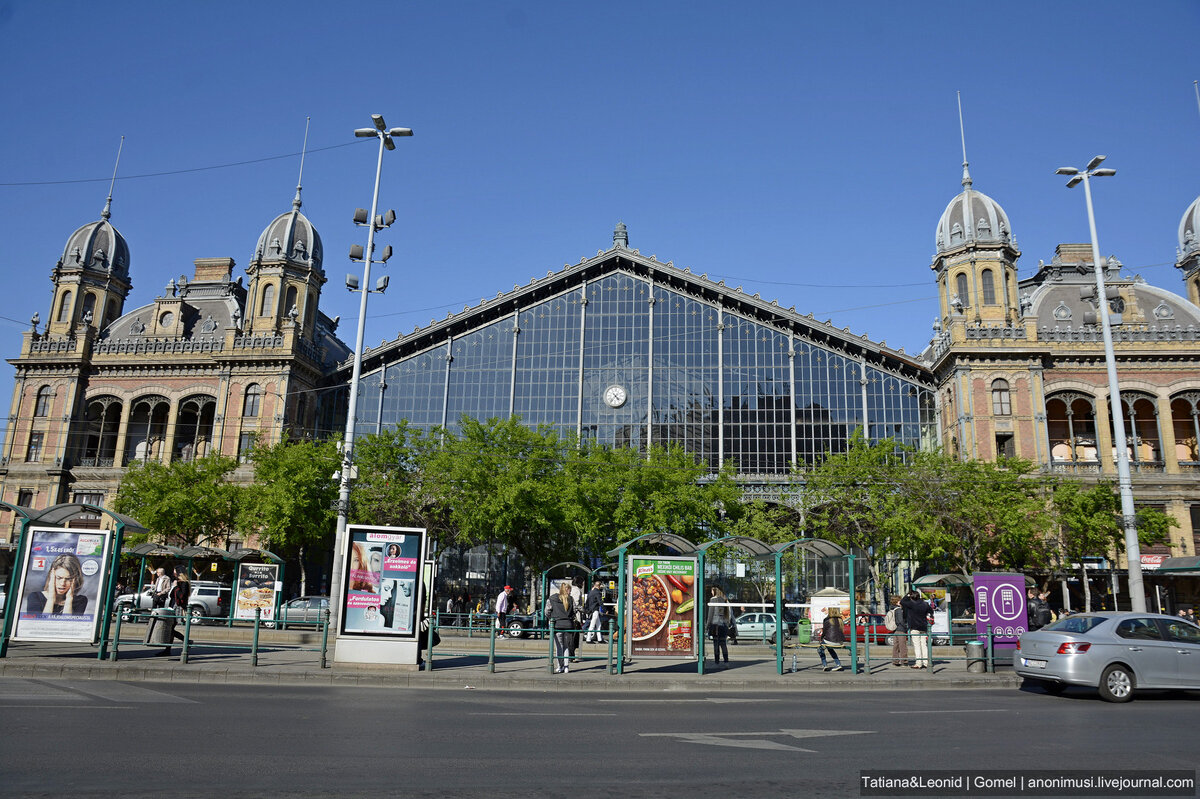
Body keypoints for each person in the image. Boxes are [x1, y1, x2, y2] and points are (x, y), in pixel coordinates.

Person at [901, 589, 934, 670]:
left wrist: (907, 595)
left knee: (917, 645)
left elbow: (902, 601)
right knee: (924, 645)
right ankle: (926, 662)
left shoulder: (911, 604)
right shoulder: (925, 604)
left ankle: (919, 663)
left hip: (914, 626)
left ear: (911, 597)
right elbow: (931, 611)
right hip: (923, 626)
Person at [548, 581, 575, 674]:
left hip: (557, 624)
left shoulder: (552, 598)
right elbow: (575, 611)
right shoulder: (571, 599)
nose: (570, 592)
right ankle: (566, 667)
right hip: (568, 625)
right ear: (567, 590)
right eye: (570, 590)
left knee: (559, 647)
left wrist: (551, 618)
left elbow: (547, 611)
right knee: (566, 646)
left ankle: (560, 666)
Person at [706, 586, 732, 667]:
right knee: (723, 644)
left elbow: (710, 614)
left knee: (716, 644)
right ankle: (726, 662)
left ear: (714, 591)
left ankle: (717, 662)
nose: (711, 593)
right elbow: (729, 614)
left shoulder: (713, 600)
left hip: (715, 625)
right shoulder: (725, 600)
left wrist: (707, 625)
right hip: (723, 625)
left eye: (712, 591)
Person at [817, 606, 846, 672]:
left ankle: (825, 665)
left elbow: (824, 632)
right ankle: (838, 664)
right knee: (830, 648)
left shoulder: (827, 620)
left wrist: (821, 639)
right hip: (840, 641)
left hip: (830, 641)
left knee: (820, 649)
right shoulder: (840, 620)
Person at [888, 594, 909, 667]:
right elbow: (900, 620)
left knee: (896, 646)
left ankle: (895, 661)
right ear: (898, 601)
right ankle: (904, 661)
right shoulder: (899, 610)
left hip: (895, 630)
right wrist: (905, 627)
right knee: (903, 646)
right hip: (901, 629)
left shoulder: (893, 608)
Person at [568, 576, 585, 661]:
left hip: (572, 617)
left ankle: (571, 655)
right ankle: (571, 655)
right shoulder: (577, 591)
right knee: (574, 637)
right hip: (575, 617)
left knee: (573, 637)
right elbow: (576, 604)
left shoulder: (572, 589)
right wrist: (584, 610)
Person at [584, 579, 606, 643]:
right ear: (599, 586)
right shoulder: (598, 592)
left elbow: (587, 602)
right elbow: (600, 602)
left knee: (598, 625)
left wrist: (587, 609)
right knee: (592, 625)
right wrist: (605, 610)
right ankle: (588, 639)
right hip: (595, 610)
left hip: (591, 610)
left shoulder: (590, 592)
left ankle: (599, 639)